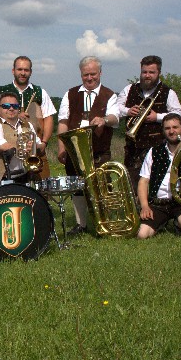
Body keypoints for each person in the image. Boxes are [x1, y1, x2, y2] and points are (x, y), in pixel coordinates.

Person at [57, 56, 120, 235]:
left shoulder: (109, 95)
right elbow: (63, 122)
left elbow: (115, 118)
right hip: (74, 152)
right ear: (81, 74)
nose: (90, 78)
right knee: (77, 188)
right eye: (86, 75)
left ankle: (105, 224)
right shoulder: (70, 94)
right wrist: (61, 147)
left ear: (100, 73)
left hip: (99, 152)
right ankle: (81, 224)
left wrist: (104, 119)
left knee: (103, 187)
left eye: (93, 74)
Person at [116, 55, 181, 193]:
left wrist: (157, 117)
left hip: (158, 147)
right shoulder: (129, 89)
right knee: (132, 188)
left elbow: (179, 114)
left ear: (159, 73)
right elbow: (116, 109)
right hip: (134, 150)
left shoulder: (168, 92)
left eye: (151, 72)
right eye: (144, 72)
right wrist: (128, 111)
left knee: (156, 186)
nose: (147, 75)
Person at [0, 56, 56, 178]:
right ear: (13, 71)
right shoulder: (1, 91)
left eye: (26, 70)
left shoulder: (40, 92)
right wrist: (16, 115)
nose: (23, 73)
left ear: (31, 72)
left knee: (42, 183)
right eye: (19, 69)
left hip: (36, 146)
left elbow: (48, 118)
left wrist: (43, 143)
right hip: (10, 147)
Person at [0, 91, 45, 183]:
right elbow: (0, 146)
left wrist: (34, 146)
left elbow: (41, 146)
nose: (11, 109)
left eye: (15, 106)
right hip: (4, 178)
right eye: (6, 106)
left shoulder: (28, 125)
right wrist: (24, 146)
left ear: (18, 109)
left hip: (27, 176)